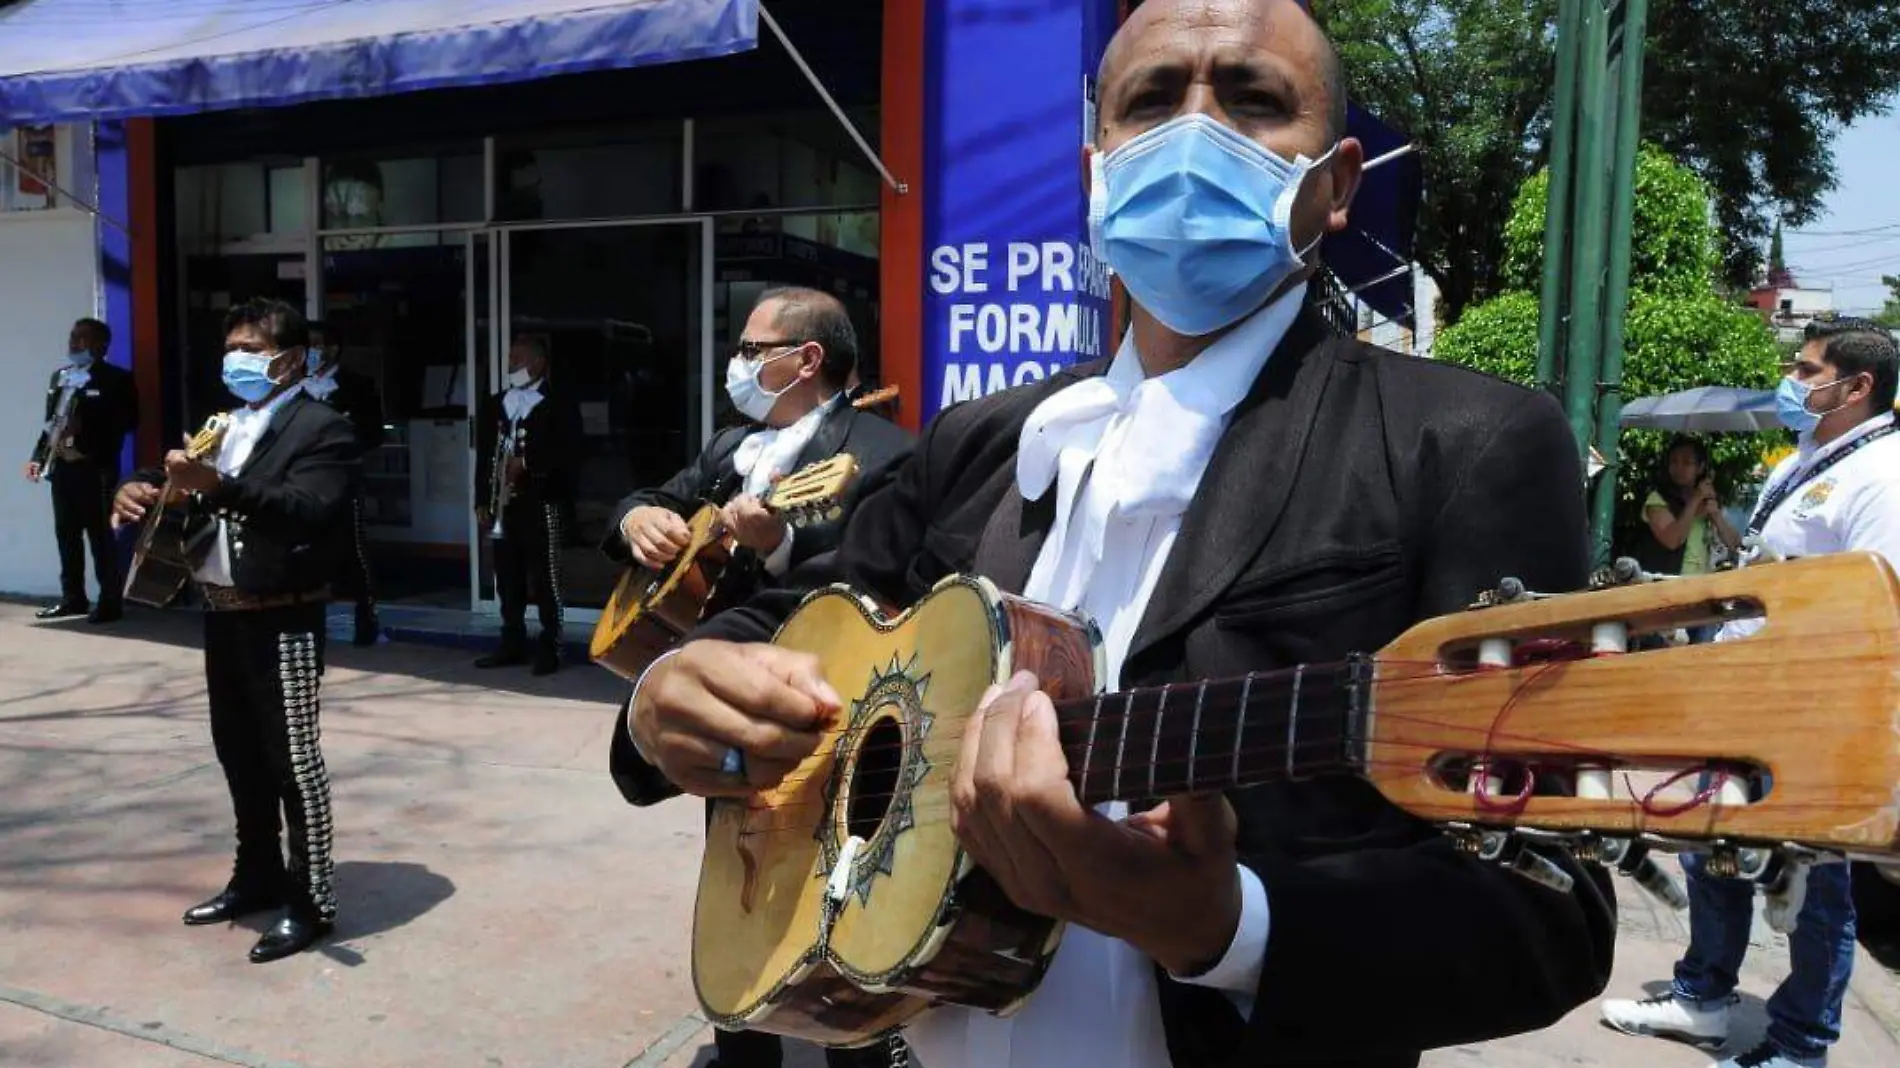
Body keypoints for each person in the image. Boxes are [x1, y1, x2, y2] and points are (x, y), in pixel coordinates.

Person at [610, 4, 1617, 1068]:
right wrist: (669, 690)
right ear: (1097, 170)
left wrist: (1225, 927)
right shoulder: (982, 439)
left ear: (1337, 182)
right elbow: (804, 618)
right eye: (1152, 100)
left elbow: (1549, 908)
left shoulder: (1465, 442)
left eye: (1252, 100)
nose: (1195, 133)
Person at [606, 286, 912, 1068]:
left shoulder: (881, 454)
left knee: (843, 898)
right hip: (724, 711)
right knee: (736, 888)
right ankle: (741, 1039)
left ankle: (858, 1048)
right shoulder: (727, 449)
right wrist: (634, 517)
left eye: (752, 349)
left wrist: (779, 548)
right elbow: (658, 500)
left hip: (824, 709)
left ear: (806, 359)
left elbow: (885, 588)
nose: (737, 364)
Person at [1601, 316, 1900, 1068]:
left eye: (1805, 371)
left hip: (1814, 710)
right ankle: (1702, 996)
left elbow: (1876, 606)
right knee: (1710, 848)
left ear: (1857, 386)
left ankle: (1800, 1045)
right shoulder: (1803, 459)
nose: (1792, 383)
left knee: (1812, 880)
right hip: (1744, 692)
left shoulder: (1886, 474)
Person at [109, 297, 359, 964]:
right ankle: (257, 875)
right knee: (239, 757)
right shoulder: (226, 423)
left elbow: (305, 510)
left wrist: (215, 486)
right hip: (222, 611)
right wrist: (136, 486)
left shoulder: (323, 428)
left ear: (292, 358)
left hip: (285, 616)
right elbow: (179, 474)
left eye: (250, 348)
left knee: (293, 763)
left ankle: (313, 902)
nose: (236, 361)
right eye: (231, 349)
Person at [474, 333, 581, 675]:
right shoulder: (495, 403)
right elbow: (485, 456)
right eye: (510, 359)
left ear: (538, 363)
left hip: (542, 501)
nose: (512, 365)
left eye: (519, 359)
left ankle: (550, 646)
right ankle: (512, 642)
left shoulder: (559, 403)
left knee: (545, 577)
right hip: (505, 504)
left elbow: (570, 451)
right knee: (507, 577)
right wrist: (481, 498)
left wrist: (529, 463)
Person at [24, 317, 139, 624]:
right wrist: (38, 456)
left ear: (102, 346)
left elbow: (129, 421)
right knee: (66, 536)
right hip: (62, 467)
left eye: (83, 339)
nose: (75, 343)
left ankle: (110, 601)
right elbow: (51, 423)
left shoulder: (116, 379)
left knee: (99, 537)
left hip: (94, 468)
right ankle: (73, 598)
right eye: (73, 337)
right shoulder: (59, 377)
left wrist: (88, 426)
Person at [304, 321, 386, 646]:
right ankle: (308, 622)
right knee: (306, 552)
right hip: (300, 482)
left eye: (316, 344)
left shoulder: (356, 385)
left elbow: (373, 434)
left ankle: (366, 618)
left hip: (341, 480)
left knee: (354, 551)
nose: (310, 352)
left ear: (332, 349)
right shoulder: (294, 386)